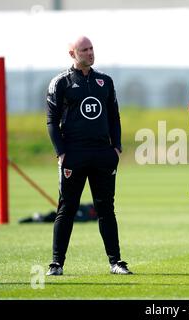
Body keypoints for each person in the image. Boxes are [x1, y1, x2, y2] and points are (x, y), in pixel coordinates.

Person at [45, 36, 132, 276]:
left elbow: (114, 116)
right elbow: (51, 121)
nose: (90, 53)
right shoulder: (60, 83)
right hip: (73, 155)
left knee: (106, 209)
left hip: (103, 154)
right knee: (67, 208)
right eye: (84, 50)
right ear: (72, 54)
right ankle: (57, 263)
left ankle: (116, 262)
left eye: (92, 48)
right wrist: (61, 152)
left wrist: (116, 148)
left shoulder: (105, 81)